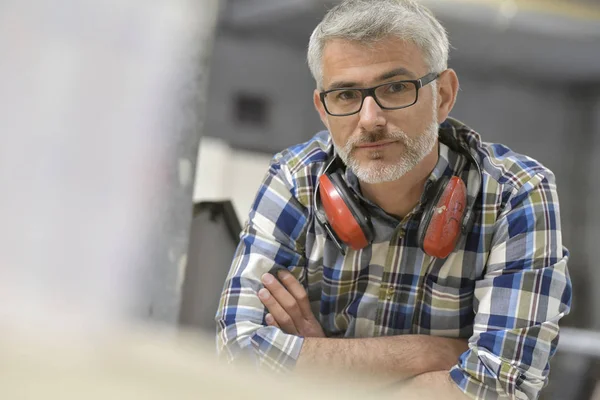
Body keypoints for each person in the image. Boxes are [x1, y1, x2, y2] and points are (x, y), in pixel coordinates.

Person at [215, 0, 572, 398]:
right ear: (322, 108)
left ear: (443, 95)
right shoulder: (296, 180)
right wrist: (430, 353)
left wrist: (323, 370)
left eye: (396, 87)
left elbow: (500, 385)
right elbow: (239, 351)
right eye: (346, 95)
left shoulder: (515, 193)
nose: (369, 119)